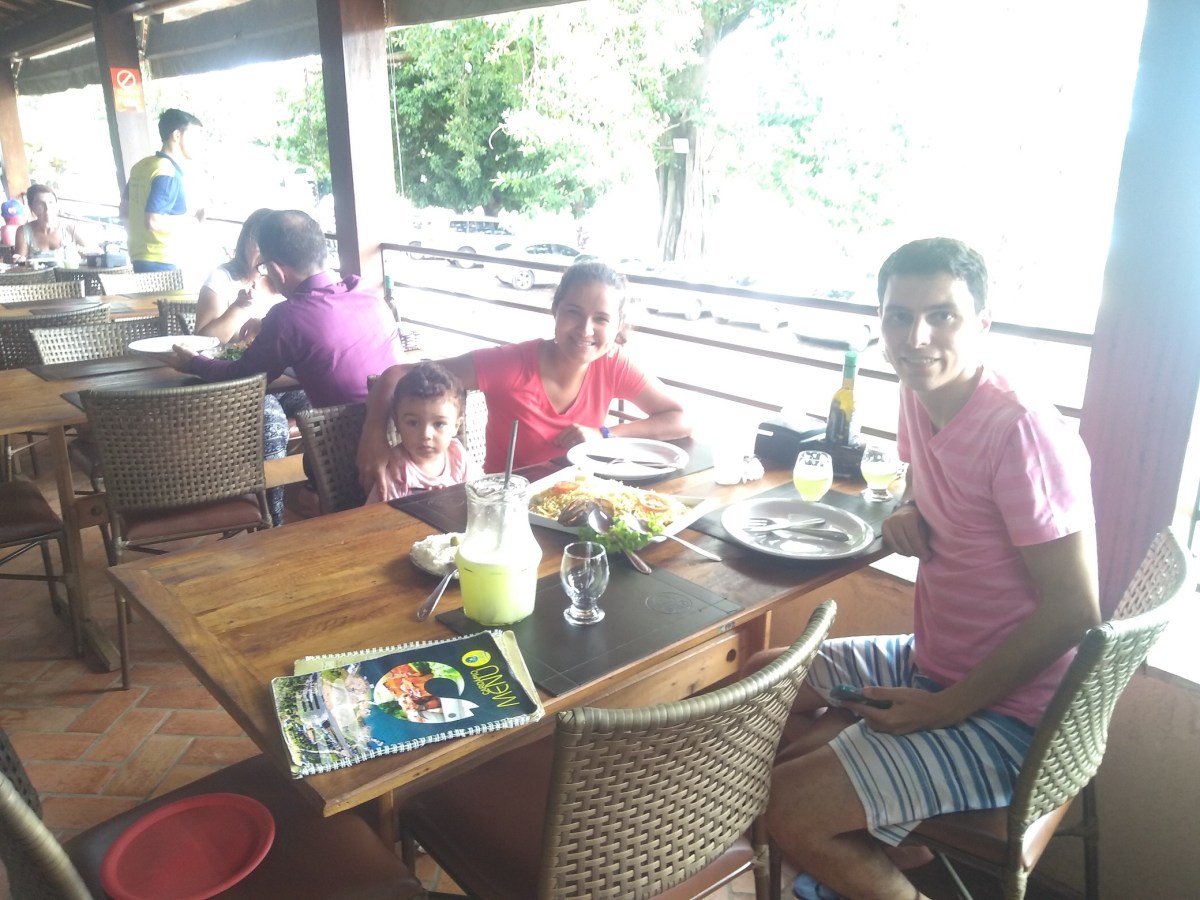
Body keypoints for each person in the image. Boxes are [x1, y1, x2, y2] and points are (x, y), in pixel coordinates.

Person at [764, 237, 1100, 900]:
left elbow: (1075, 611)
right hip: (932, 660)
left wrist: (945, 708)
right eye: (899, 316)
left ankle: (859, 840)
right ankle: (881, 839)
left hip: (1014, 715)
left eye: (941, 315)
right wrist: (910, 506)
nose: (916, 338)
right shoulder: (920, 391)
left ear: (982, 324)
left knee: (784, 803)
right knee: (766, 681)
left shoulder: (1021, 431)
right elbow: (925, 474)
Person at [356, 260, 691, 494]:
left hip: (583, 497)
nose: (586, 330)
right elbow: (396, 374)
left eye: (601, 319)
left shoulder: (614, 363)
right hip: (510, 503)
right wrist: (374, 435)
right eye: (573, 312)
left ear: (618, 326)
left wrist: (604, 434)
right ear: (555, 310)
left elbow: (681, 419)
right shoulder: (511, 364)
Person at [160, 209, 403, 525]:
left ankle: (275, 521)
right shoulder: (369, 294)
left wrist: (192, 362)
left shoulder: (289, 315)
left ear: (275, 269)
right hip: (404, 437)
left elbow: (242, 377)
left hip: (348, 452)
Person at [365, 361, 482, 503]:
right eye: (413, 423)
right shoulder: (396, 471)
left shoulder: (458, 457)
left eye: (439, 424)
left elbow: (481, 494)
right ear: (397, 423)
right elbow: (375, 515)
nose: (425, 435)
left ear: (456, 426)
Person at [120, 108, 205, 273]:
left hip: (140, 257)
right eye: (195, 136)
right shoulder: (167, 171)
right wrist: (193, 220)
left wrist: (137, 240)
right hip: (163, 261)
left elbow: (124, 210)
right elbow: (153, 221)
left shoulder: (142, 166)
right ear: (177, 135)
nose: (199, 143)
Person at [195, 207, 281, 342]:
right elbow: (203, 341)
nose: (266, 251)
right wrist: (240, 305)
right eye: (260, 243)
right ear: (244, 242)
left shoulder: (284, 283)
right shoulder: (220, 279)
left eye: (273, 244)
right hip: (230, 356)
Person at [11, 185, 98, 263]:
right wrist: (20, 259)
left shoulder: (70, 228)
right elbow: (21, 264)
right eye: (41, 204)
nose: (47, 208)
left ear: (56, 205)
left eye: (51, 202)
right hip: (38, 276)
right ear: (31, 207)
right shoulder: (24, 232)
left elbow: (94, 252)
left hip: (71, 275)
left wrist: (83, 253)